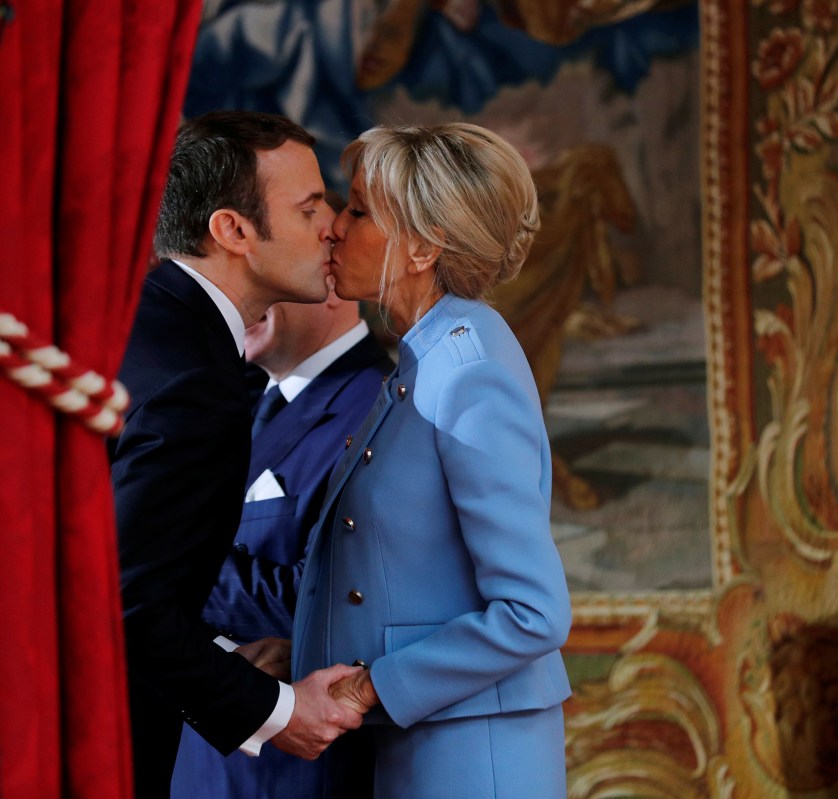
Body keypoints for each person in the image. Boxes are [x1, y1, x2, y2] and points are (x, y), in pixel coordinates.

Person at [291, 123, 573, 798]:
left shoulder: (467, 369)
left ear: (421, 246)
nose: (334, 227)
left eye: (357, 210)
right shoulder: (430, 355)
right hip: (425, 746)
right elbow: (403, 569)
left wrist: (367, 685)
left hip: (471, 759)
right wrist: (305, 655)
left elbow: (534, 611)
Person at [110, 110, 365, 798]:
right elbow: (127, 601)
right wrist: (279, 709)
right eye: (310, 207)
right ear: (233, 231)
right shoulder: (197, 379)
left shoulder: (139, 319)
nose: (332, 227)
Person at [171, 282, 393, 798]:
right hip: (214, 760)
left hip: (295, 770)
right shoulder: (234, 402)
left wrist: (161, 563)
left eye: (264, 279)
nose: (236, 296)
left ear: (330, 283)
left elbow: (335, 601)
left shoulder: (378, 406)